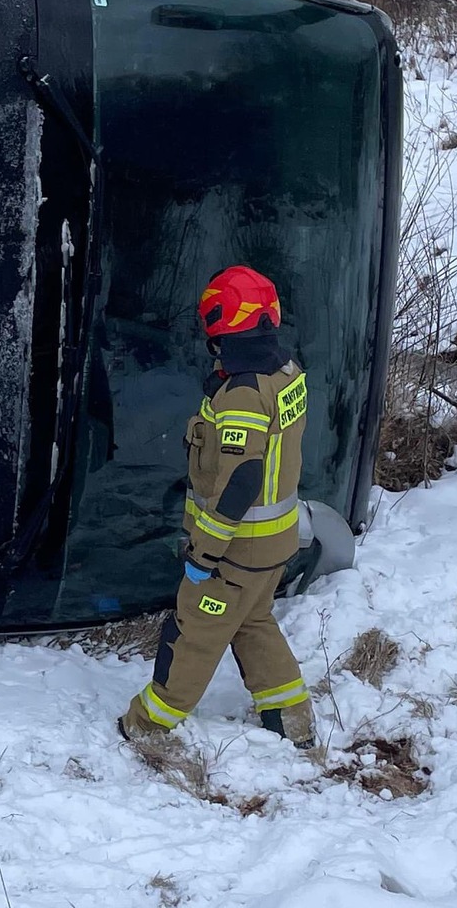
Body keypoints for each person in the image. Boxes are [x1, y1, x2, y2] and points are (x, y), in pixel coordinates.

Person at [120, 265, 320, 752]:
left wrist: (205, 552)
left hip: (236, 548)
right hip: (276, 539)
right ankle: (290, 715)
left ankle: (150, 722)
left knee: (196, 632)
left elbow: (242, 478)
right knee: (252, 621)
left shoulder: (243, 395)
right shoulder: (285, 373)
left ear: (218, 326)